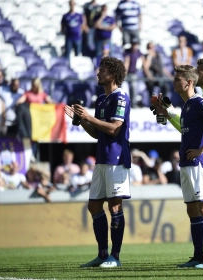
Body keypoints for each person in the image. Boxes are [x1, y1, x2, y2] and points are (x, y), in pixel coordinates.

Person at [153, 58, 203, 256]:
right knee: (192, 210)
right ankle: (197, 255)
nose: (174, 82)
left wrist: (202, 150)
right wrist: (166, 113)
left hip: (199, 164)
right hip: (186, 163)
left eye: (177, 79)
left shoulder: (200, 102)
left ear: (189, 82)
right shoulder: (186, 106)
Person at [64, 56, 131, 268]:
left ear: (112, 74)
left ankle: (115, 257)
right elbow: (96, 133)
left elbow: (114, 128)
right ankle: (102, 255)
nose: (98, 73)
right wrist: (81, 118)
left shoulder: (120, 97)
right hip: (102, 158)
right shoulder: (102, 99)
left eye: (102, 70)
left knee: (114, 207)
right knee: (93, 205)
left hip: (116, 158)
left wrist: (89, 117)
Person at [123, 39, 145, 108]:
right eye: (133, 44)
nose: (134, 46)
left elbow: (143, 63)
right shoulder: (127, 52)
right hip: (127, 73)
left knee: (134, 85)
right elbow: (126, 63)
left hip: (135, 74)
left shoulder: (138, 52)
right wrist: (124, 74)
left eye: (136, 44)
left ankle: (133, 103)